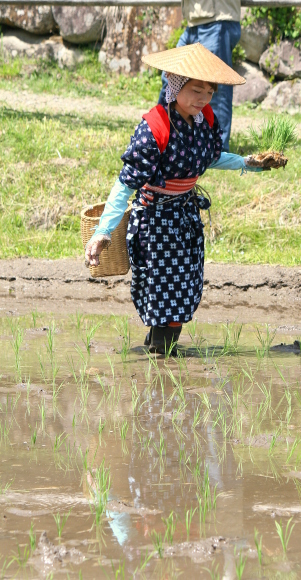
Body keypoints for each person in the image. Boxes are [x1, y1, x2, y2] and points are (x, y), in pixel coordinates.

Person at [85, 43, 266, 355]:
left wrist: (248, 162)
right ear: (176, 85)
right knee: (161, 295)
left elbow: (208, 158)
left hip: (185, 220)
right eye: (196, 90)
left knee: (181, 294)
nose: (203, 99)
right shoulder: (153, 129)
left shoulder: (205, 121)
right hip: (154, 224)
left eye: (209, 92)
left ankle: (158, 357)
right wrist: (102, 232)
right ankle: (161, 364)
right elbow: (124, 186)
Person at [158, 0, 241, 152]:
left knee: (215, 88)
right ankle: (162, 138)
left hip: (217, 20)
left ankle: (217, 150)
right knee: (170, 77)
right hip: (194, 22)